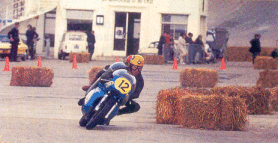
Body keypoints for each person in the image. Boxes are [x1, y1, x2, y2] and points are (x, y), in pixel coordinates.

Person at [78, 55, 144, 116]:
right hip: (111, 85)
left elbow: (136, 94)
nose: (137, 70)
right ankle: (89, 91)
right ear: (130, 65)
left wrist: (128, 96)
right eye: (135, 67)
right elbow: (108, 70)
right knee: (101, 73)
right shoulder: (121, 66)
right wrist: (107, 75)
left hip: (123, 95)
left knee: (136, 107)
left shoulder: (140, 80)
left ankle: (115, 112)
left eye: (139, 68)